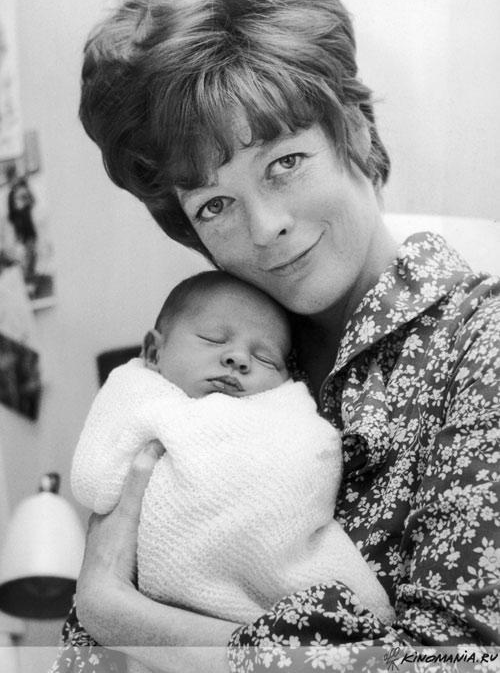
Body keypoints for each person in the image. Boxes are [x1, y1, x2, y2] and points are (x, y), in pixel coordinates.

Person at [52, 0, 500, 673]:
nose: (265, 228)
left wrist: (119, 614)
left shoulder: (480, 345)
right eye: (214, 205)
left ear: (353, 128)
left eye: (285, 162)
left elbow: (463, 663)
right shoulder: (199, 366)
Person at [71, 270, 393, 635]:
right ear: (154, 352)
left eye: (266, 359)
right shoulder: (136, 393)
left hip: (288, 612)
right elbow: (93, 480)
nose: (239, 358)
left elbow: (310, 462)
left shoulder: (283, 414)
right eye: (213, 339)